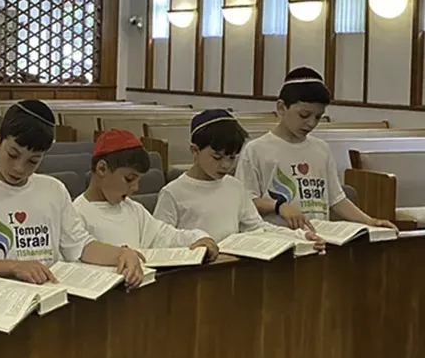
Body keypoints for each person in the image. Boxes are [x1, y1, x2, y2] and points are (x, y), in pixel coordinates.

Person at [0, 100, 144, 286]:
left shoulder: (53, 190)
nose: (19, 168)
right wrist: (14, 267)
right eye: (13, 155)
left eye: (33, 161)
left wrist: (120, 254)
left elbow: (80, 245)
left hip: (48, 296)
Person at [236, 67, 398, 232]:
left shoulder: (321, 149)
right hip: (277, 237)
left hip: (319, 235)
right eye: (304, 115)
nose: (311, 123)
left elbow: (336, 199)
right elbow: (245, 201)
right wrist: (279, 206)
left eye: (318, 117)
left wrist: (370, 221)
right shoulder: (256, 149)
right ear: (281, 108)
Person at [154, 109, 324, 247]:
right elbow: (160, 240)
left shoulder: (235, 187)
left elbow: (258, 227)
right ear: (195, 151)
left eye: (232, 157)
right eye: (217, 157)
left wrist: (299, 236)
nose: (226, 165)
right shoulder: (173, 193)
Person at [73, 129, 218, 259]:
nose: (135, 188)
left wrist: (198, 238)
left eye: (137, 180)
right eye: (129, 179)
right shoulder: (76, 214)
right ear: (102, 169)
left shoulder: (134, 210)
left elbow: (164, 236)